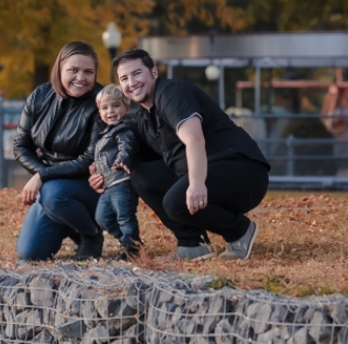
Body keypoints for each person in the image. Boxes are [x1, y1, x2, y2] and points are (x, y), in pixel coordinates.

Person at [100, 48, 270, 260]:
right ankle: (192, 243)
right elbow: (132, 156)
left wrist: (197, 183)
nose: (131, 82)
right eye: (124, 78)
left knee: (175, 200)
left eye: (137, 73)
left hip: (241, 171)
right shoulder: (145, 117)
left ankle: (240, 231)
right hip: (208, 173)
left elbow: (194, 138)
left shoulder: (171, 93)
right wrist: (101, 171)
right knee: (141, 174)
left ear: (153, 73)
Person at [14, 40, 106, 261]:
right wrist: (42, 174)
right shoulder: (40, 95)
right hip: (52, 186)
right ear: (59, 69)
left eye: (88, 71)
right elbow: (20, 145)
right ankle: (72, 224)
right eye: (73, 70)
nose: (80, 77)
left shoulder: (102, 102)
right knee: (30, 254)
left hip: (89, 186)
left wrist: (42, 176)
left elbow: (88, 159)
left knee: (54, 194)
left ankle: (91, 234)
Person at [88, 84, 140, 259]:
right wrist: (95, 165)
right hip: (107, 185)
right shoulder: (104, 133)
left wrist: (123, 159)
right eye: (105, 107)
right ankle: (130, 241)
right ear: (99, 112)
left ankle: (131, 247)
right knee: (102, 218)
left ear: (127, 107)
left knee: (125, 216)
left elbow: (127, 145)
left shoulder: (123, 128)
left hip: (121, 182)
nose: (110, 111)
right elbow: (102, 154)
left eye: (116, 105)